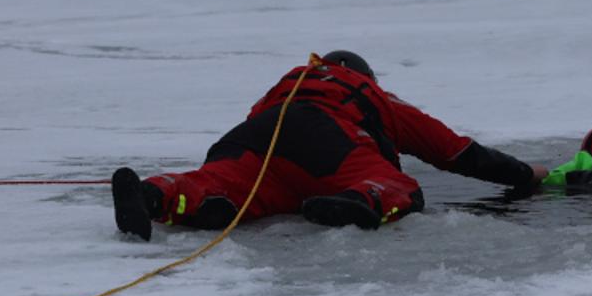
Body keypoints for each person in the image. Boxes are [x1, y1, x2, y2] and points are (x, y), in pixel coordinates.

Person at [112, 51, 545, 239]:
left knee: (217, 186)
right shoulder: (373, 95)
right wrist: (525, 174)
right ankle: (361, 199)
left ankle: (156, 193)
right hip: (325, 138)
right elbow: (454, 151)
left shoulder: (287, 86)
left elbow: (257, 134)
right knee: (399, 187)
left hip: (255, 138)